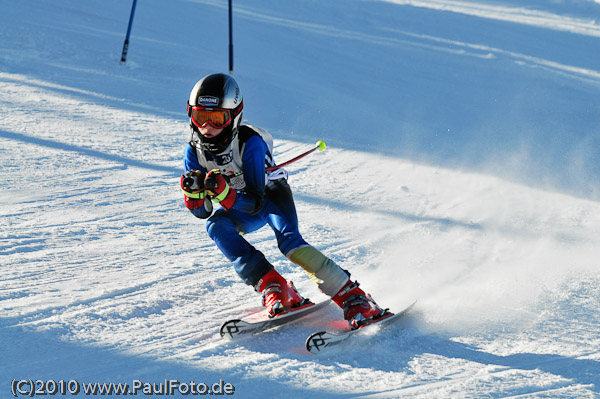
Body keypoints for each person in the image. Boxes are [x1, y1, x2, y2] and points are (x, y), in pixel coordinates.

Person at [180, 73, 389, 330]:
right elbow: (203, 212)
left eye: (217, 119)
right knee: (216, 226)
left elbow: (256, 202)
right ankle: (274, 286)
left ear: (234, 116)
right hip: (239, 205)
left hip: (271, 197)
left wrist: (224, 194)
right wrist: (194, 198)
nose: (207, 128)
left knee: (290, 243)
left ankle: (355, 297)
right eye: (201, 117)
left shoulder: (250, 143)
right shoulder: (194, 152)